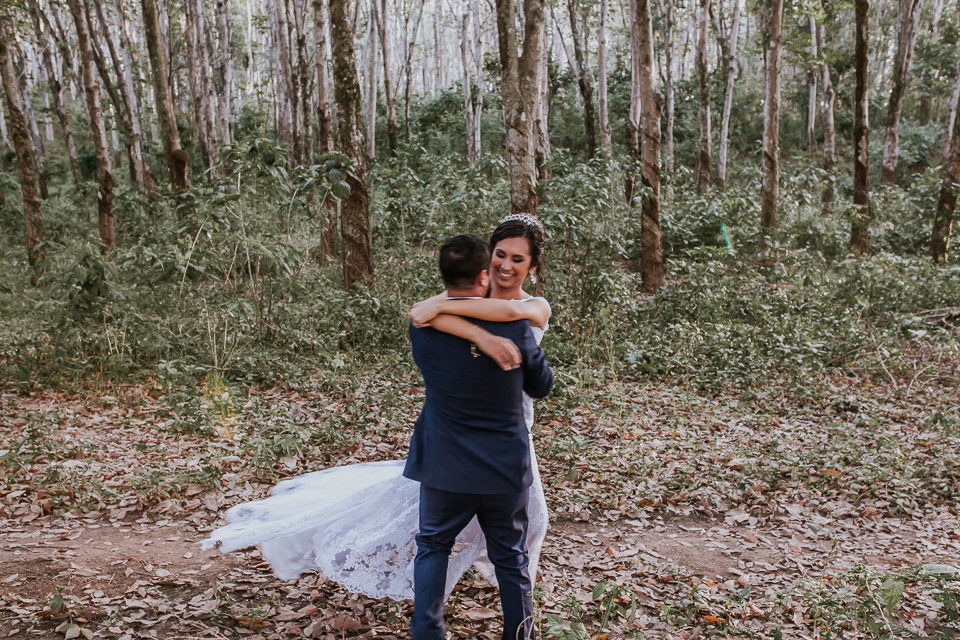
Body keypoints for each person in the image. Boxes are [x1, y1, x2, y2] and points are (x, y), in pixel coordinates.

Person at [201, 215, 553, 621]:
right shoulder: (472, 293)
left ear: (532, 265)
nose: (506, 265)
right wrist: (480, 335)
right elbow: (423, 313)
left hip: (512, 424)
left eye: (518, 259)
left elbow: (457, 312)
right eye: (500, 255)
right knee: (487, 524)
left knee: (531, 522)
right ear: (487, 258)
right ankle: (503, 588)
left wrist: (447, 309)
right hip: (464, 430)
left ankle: (498, 581)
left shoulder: (531, 306)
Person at [405, 232, 553, 640]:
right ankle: (519, 635)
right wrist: (488, 339)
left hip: (443, 462)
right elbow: (541, 386)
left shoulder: (425, 326)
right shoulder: (517, 328)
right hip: (503, 464)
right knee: (511, 558)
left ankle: (427, 632)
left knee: (433, 547)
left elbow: (428, 313)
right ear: (485, 275)